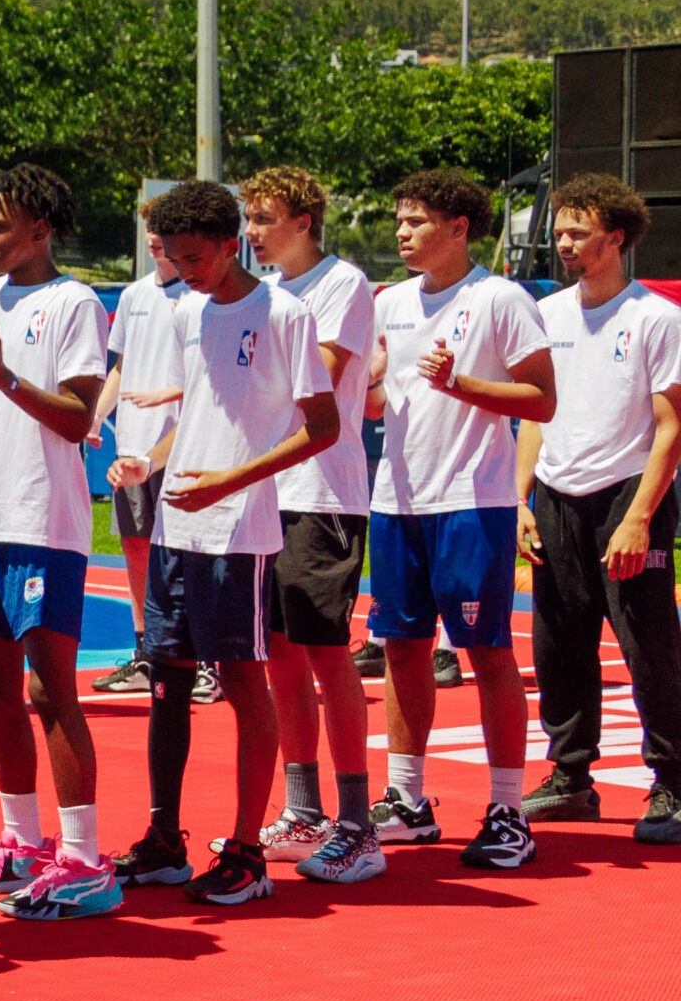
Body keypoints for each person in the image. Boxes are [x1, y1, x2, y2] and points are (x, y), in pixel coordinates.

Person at [109, 180, 338, 903]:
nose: (187, 268)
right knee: (167, 681)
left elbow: (323, 427)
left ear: (231, 243)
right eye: (175, 257)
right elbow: (201, 412)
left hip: (239, 532)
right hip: (179, 523)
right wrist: (153, 460)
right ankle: (163, 839)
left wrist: (230, 481)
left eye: (198, 255)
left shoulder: (285, 314)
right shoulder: (187, 313)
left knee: (243, 683)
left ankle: (246, 852)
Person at [365, 169, 555, 868]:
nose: (403, 232)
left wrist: (462, 383)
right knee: (402, 649)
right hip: (398, 499)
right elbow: (376, 408)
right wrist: (371, 383)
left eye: (416, 221)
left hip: (473, 501)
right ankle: (408, 800)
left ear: (458, 229)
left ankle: (509, 811)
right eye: (399, 219)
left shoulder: (502, 298)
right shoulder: (389, 304)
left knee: (487, 652)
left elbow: (542, 399)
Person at [0, 165, 120, 920]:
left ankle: (85, 857)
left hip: (39, 520)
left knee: (48, 688)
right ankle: (22, 838)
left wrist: (2, 374)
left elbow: (77, 418)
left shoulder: (75, 302)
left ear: (41, 231)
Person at [519, 175, 681, 842]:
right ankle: (571, 777)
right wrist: (520, 496)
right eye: (558, 232)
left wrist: (641, 516)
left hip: (625, 494)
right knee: (558, 644)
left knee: (648, 647)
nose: (564, 243)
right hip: (555, 495)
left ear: (615, 237)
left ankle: (672, 782)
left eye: (577, 232)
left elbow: (670, 427)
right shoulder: (547, 314)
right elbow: (534, 412)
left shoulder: (656, 318)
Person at [239, 167, 383, 881]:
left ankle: (360, 825)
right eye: (249, 217)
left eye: (264, 217)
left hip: (320, 492)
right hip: (263, 492)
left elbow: (313, 378)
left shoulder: (342, 285)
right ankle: (305, 809)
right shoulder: (259, 294)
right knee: (279, 657)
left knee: (327, 654)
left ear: (303, 220)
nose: (252, 230)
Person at [91, 217, 194, 697]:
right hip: (132, 447)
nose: (155, 237)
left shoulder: (198, 297)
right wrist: (95, 419)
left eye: (165, 229)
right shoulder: (133, 297)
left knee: (184, 554)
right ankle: (145, 654)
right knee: (136, 551)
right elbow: (122, 366)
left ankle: (200, 658)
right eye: (150, 228)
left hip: (182, 449)